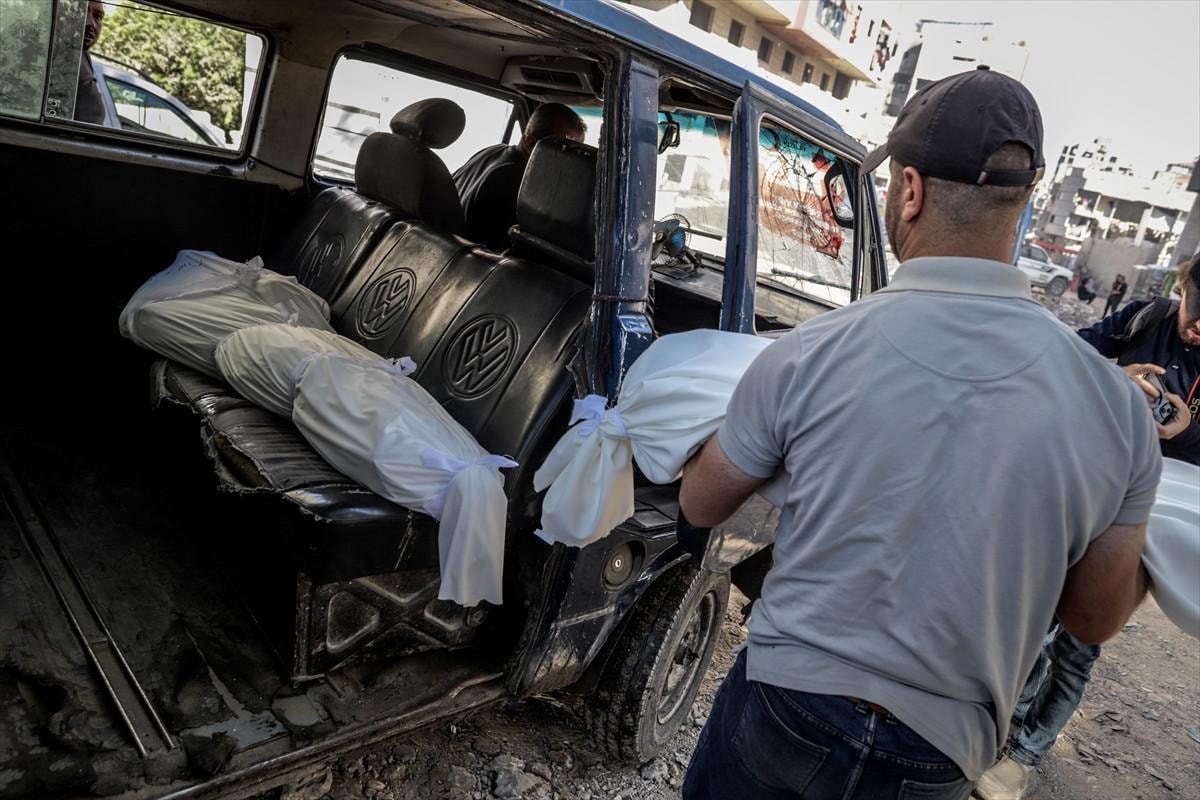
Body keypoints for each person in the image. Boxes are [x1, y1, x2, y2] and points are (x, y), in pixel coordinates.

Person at [678, 66, 1160, 800]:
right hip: (941, 751)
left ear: (910, 191)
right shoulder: (1115, 408)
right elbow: (1092, 619)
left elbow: (701, 503)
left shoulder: (810, 352)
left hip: (787, 706)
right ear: (1024, 201)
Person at [976, 251, 1200, 800]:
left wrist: (1187, 432)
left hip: (1154, 517)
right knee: (1035, 614)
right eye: (1196, 313)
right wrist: (1114, 379)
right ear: (1182, 286)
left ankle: (1024, 756)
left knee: (1080, 639)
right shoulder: (1144, 318)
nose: (1199, 329)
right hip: (1089, 487)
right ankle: (1004, 728)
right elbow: (1069, 359)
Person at [451, 102, 586, 249]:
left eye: (574, 153)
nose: (568, 162)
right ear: (531, 142)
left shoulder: (493, 151)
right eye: (562, 150)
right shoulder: (520, 181)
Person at [75, 1, 108, 125]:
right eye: (82, 11)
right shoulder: (53, 53)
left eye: (98, 17)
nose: (91, 24)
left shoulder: (82, 53)